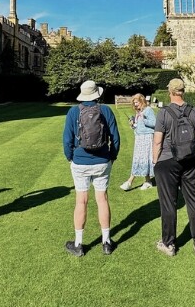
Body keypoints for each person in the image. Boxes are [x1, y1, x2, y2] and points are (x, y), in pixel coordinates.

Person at [62, 80, 120, 257]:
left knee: (81, 201)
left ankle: (78, 244)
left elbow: (67, 140)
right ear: (97, 94)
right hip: (102, 161)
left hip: (80, 161)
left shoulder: (73, 111)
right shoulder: (106, 110)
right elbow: (115, 138)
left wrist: (70, 157)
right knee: (102, 199)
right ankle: (106, 242)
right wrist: (112, 156)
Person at [152, 78, 195, 256]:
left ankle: (169, 244)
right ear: (183, 91)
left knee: (168, 203)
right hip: (191, 160)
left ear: (170, 91)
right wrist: (189, 149)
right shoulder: (194, 111)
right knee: (193, 200)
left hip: (167, 160)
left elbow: (158, 140)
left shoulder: (164, 113)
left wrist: (155, 160)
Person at [120, 93, 155, 191]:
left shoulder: (148, 110)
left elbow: (154, 123)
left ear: (142, 101)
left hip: (147, 137)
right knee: (142, 159)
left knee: (141, 159)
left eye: (137, 102)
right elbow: (138, 126)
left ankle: (129, 182)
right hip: (140, 138)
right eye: (134, 103)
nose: (135, 104)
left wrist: (143, 119)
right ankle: (148, 181)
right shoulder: (139, 111)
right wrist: (133, 125)